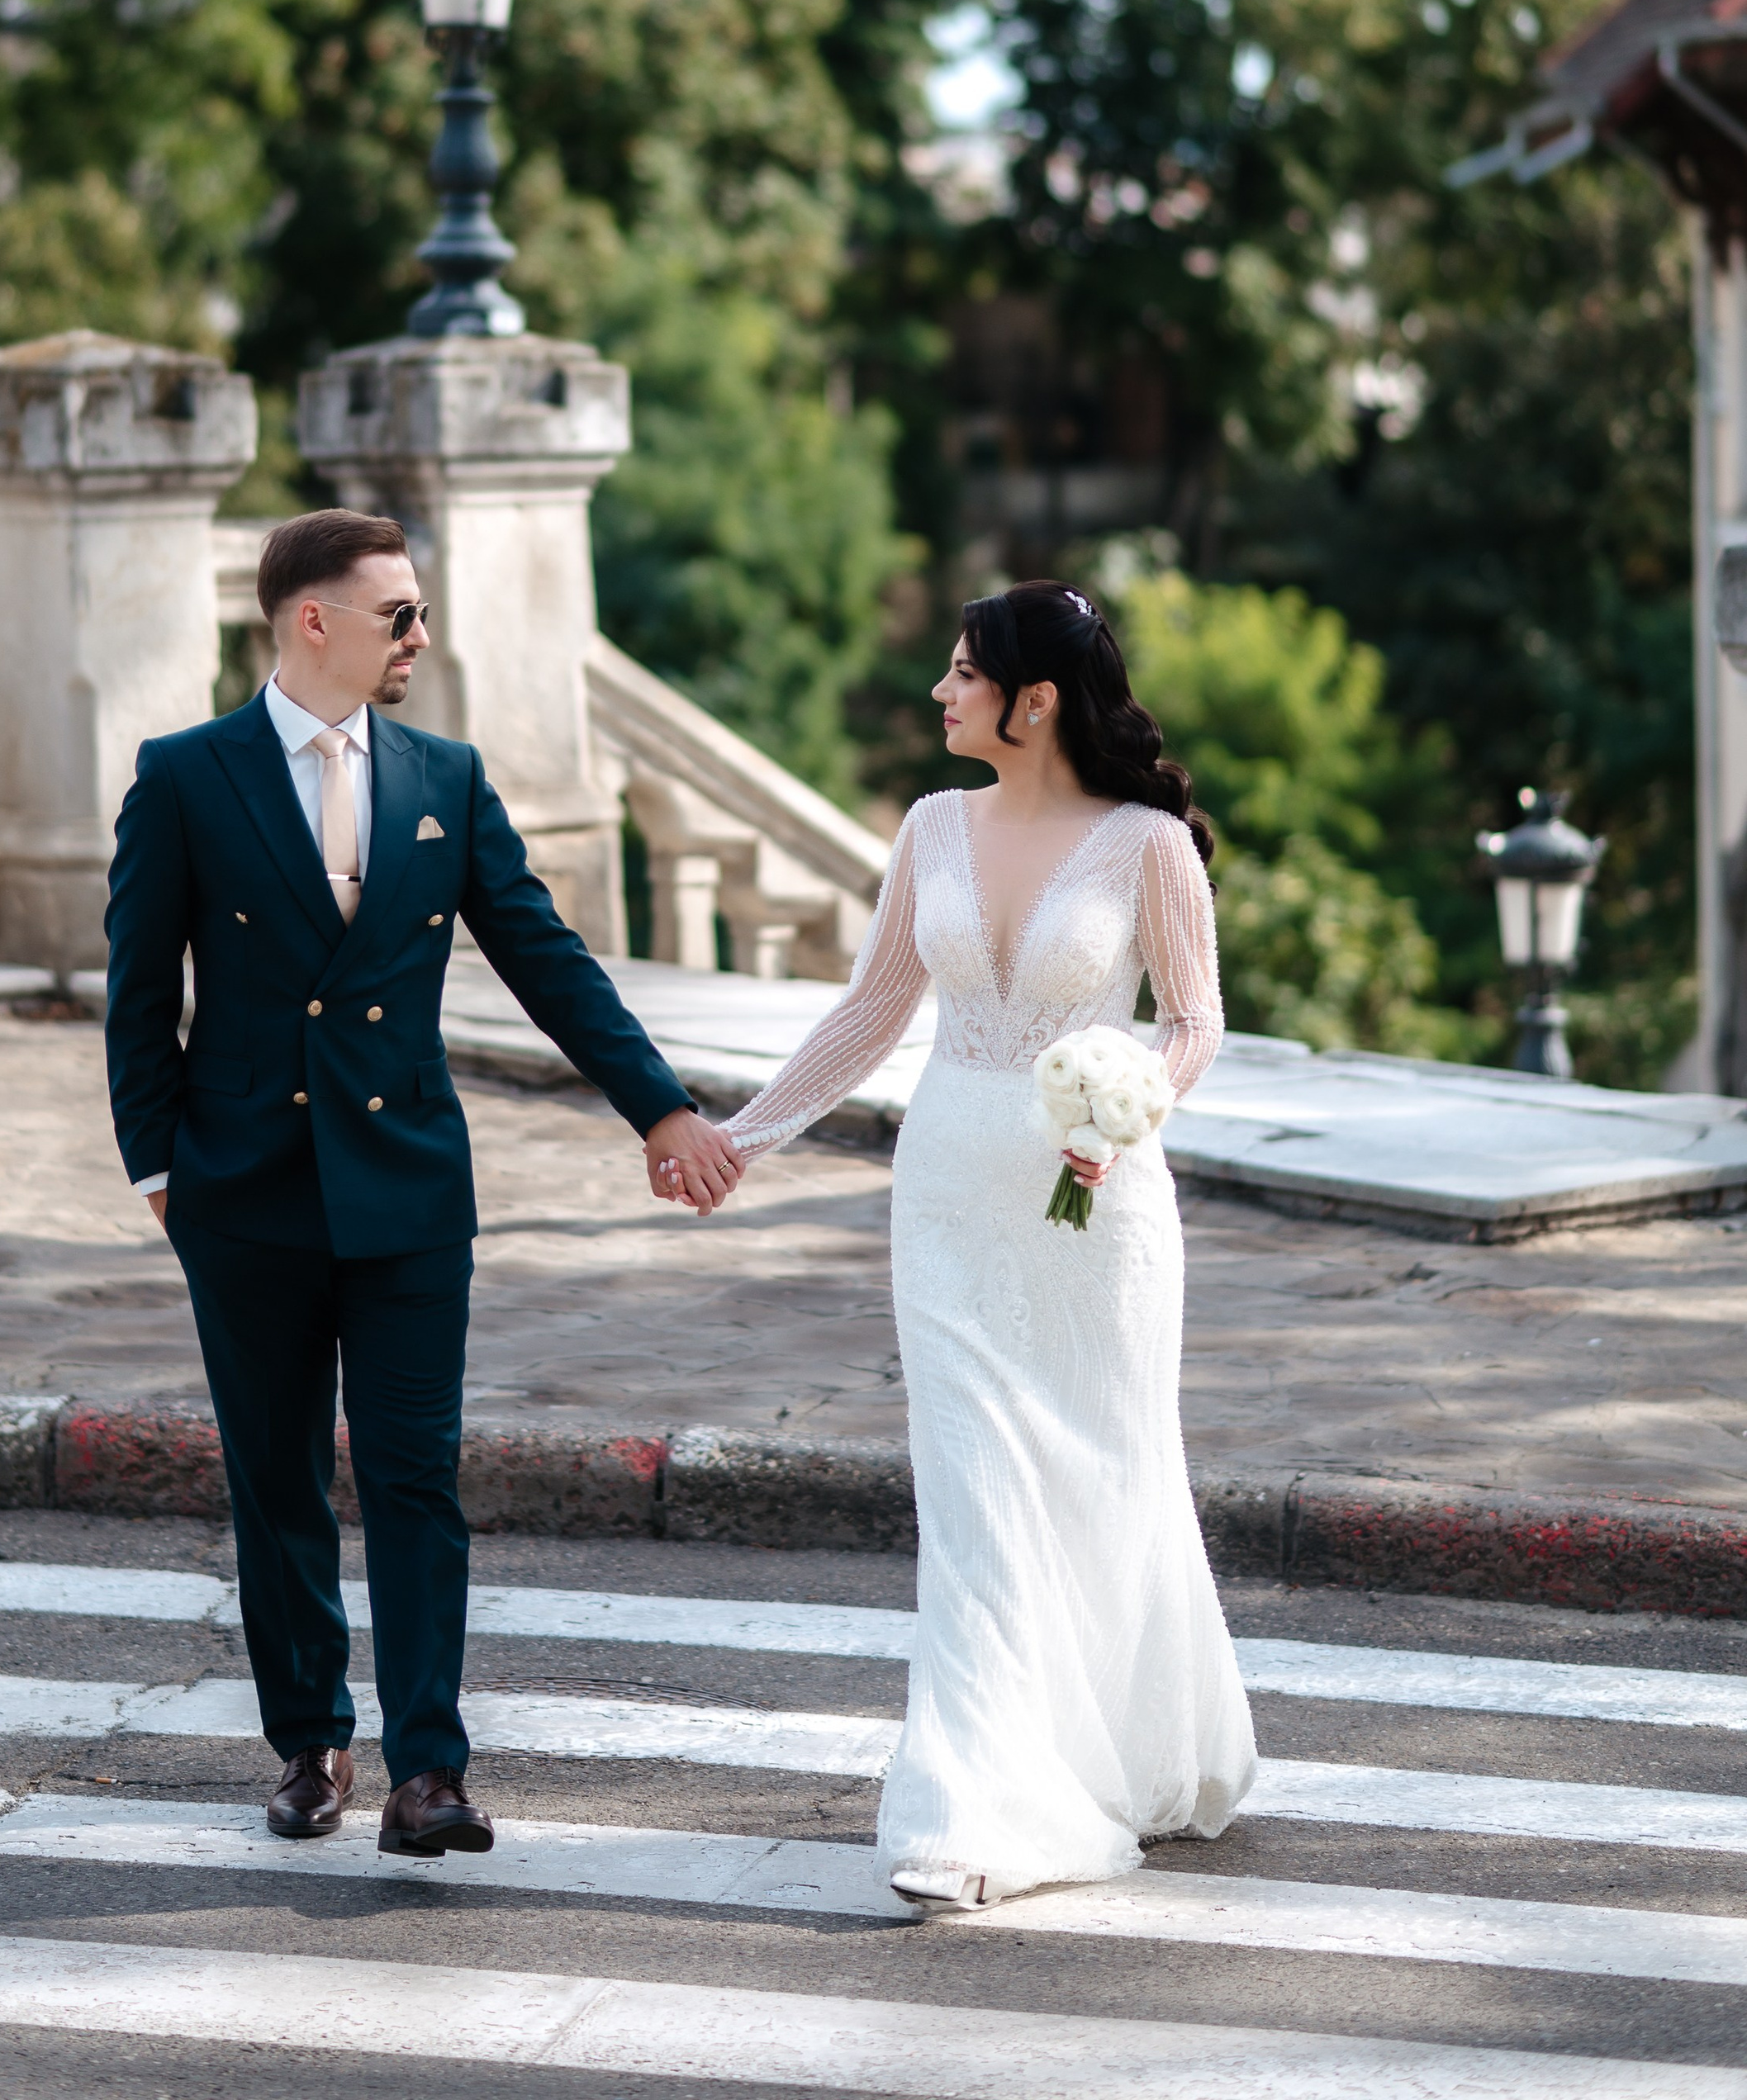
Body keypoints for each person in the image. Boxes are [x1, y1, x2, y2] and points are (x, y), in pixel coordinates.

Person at [103, 506, 742, 1856]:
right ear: (312, 621)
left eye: (423, 610)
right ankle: (311, 1743)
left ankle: (428, 1773)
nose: (422, 636)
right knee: (276, 1480)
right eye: (399, 613)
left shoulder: (445, 773)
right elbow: (137, 996)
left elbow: (545, 955)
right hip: (245, 1191)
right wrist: (162, 1170)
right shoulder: (187, 775)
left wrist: (662, 1109)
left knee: (413, 1478)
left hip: (406, 1189)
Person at [719, 579, 1256, 1909]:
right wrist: (746, 1135)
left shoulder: (1148, 847)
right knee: (973, 1500)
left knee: (1101, 1475)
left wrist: (1134, 1104)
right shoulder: (929, 828)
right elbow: (870, 1008)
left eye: (964, 675)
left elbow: (1193, 1020)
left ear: (1036, 701)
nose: (941, 695)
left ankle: (1122, 1747)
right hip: (951, 1195)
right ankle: (974, 1814)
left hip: (1096, 1209)